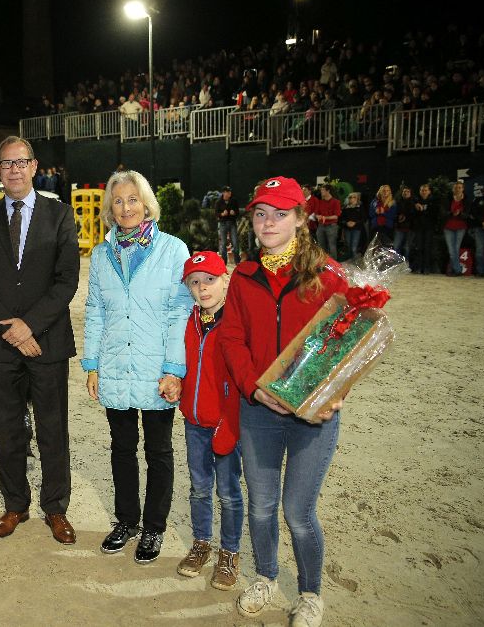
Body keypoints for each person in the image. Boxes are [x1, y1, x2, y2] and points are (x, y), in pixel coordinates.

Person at [219, 176, 348, 627]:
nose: (268, 221)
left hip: (313, 415)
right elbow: (231, 338)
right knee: (259, 504)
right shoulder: (245, 277)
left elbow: (347, 348)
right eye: (260, 213)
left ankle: (310, 593)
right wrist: (254, 387)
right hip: (259, 412)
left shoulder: (329, 276)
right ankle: (267, 577)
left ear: (300, 218)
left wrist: (333, 394)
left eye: (279, 212)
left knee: (297, 511)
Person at [0, 135, 80, 545]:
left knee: (52, 429)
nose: (14, 170)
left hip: (46, 341)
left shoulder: (60, 215)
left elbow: (67, 279)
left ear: (35, 167)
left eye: (21, 162)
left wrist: (29, 326)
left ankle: (56, 509)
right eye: (6, 164)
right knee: (8, 430)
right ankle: (15, 505)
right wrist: (8, 328)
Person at [82, 170, 193, 564]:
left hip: (157, 370)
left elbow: (181, 312)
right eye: (118, 201)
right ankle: (127, 520)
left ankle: (154, 528)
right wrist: (92, 364)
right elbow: (94, 310)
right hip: (114, 365)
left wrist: (174, 369)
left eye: (133, 199)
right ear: (110, 209)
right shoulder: (100, 254)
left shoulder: (173, 250)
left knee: (158, 451)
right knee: (122, 449)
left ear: (146, 204)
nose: (126, 207)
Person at [176, 251, 243, 591]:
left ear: (225, 279)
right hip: (194, 421)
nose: (203, 289)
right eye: (195, 282)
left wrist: (230, 420)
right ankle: (202, 542)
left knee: (229, 492)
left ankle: (229, 552)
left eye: (210, 280)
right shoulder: (188, 320)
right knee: (200, 488)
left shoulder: (236, 322)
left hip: (226, 423)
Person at [443, 181, 471, 276]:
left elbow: (467, 214)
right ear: (453, 189)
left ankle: (456, 270)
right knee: (451, 249)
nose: (457, 189)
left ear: (462, 189)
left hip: (460, 227)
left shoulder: (466, 199)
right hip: (448, 226)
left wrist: (460, 214)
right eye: (455, 187)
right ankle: (457, 269)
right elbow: (443, 212)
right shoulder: (448, 198)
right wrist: (451, 213)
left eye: (459, 187)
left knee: (456, 248)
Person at [411, 184, 439, 274]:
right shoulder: (415, 201)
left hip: (429, 228)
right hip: (418, 228)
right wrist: (415, 208)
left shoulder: (434, 201)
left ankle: (426, 268)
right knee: (418, 247)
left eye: (425, 190)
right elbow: (412, 215)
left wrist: (425, 210)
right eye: (422, 190)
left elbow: (435, 215)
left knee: (427, 248)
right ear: (419, 191)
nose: (424, 192)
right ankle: (418, 267)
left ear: (429, 191)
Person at [312, 184, 342, 259]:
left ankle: (334, 265)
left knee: (332, 245)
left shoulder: (336, 202)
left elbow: (336, 215)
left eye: (323, 190)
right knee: (321, 246)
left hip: (331, 226)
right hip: (321, 226)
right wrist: (317, 216)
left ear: (328, 191)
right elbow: (316, 214)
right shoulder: (320, 202)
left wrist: (325, 217)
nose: (321, 192)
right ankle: (323, 263)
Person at [214, 186, 241, 264]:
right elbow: (216, 213)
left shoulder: (234, 200)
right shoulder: (218, 202)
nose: (229, 194)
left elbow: (238, 212)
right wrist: (222, 214)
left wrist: (234, 213)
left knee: (235, 243)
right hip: (223, 223)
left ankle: (237, 261)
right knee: (223, 243)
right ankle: (224, 262)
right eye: (227, 192)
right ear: (223, 193)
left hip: (232, 223)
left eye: (230, 192)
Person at [339, 192, 366, 260]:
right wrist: (346, 223)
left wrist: (355, 223)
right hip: (347, 229)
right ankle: (350, 260)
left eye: (354, 197)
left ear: (357, 199)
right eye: (350, 197)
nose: (352, 199)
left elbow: (364, 219)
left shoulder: (360, 207)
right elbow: (341, 219)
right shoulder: (345, 208)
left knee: (354, 246)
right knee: (348, 245)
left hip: (357, 229)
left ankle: (355, 262)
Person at [392, 186, 416, 262]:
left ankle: (406, 263)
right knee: (396, 246)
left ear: (410, 193)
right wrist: (398, 217)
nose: (406, 193)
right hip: (399, 227)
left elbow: (414, 215)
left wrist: (406, 217)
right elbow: (394, 214)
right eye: (404, 191)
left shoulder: (414, 202)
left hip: (410, 228)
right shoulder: (397, 202)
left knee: (407, 247)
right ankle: (397, 264)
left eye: (407, 192)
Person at [472, 188, 484, 277]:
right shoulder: (478, 200)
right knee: (479, 250)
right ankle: (480, 271)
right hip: (479, 227)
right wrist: (482, 221)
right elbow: (474, 212)